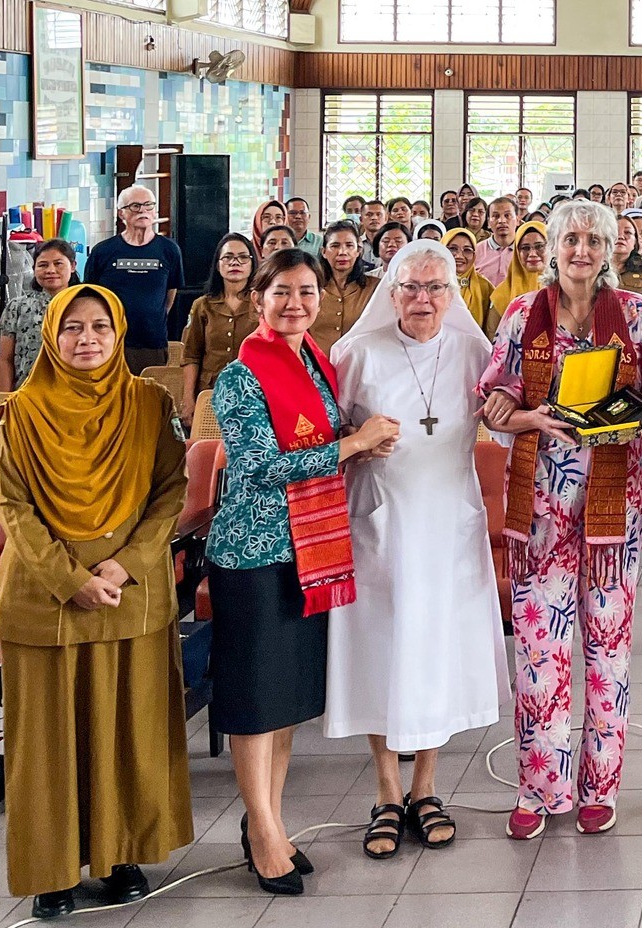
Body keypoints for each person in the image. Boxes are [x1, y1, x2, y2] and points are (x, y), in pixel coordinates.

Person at [0, 285, 192, 920]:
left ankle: (119, 856)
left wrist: (124, 565)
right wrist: (69, 579)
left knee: (126, 731)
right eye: (73, 328)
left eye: (100, 327)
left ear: (118, 332)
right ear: (51, 335)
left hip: (129, 595)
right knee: (47, 743)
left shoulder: (148, 405)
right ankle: (50, 869)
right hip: (44, 600)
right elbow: (15, 510)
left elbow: (171, 491)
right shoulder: (20, 414)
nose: (87, 340)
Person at [209, 250, 401, 892]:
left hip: (306, 550)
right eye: (282, 292)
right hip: (254, 552)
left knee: (285, 698)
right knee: (256, 700)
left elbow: (315, 435)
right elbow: (262, 464)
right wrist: (353, 443)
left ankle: (271, 821)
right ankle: (261, 834)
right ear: (258, 298)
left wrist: (354, 432)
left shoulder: (313, 365)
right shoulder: (243, 374)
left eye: (307, 291)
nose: (296, 303)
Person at [477, 203, 642, 837]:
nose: (580, 249)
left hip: (614, 499)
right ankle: (539, 788)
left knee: (607, 643)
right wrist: (529, 416)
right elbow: (495, 404)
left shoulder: (636, 313)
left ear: (610, 248)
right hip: (539, 502)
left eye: (593, 239)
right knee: (539, 648)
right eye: (570, 239)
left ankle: (600, 787)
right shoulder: (519, 315)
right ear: (552, 247)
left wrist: (622, 413)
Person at [330, 241, 508, 854]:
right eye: (410, 287)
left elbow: (504, 416)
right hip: (379, 523)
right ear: (391, 290)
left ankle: (426, 786)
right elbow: (327, 432)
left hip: (448, 525)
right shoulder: (356, 352)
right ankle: (385, 790)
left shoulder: (474, 351)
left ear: (453, 293)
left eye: (436, 288)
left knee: (434, 651)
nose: (422, 299)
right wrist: (356, 439)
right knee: (383, 649)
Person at [83, 186, 184, 371]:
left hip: (152, 341)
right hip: (109, 342)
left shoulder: (169, 250)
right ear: (121, 214)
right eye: (135, 206)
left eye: (148, 205)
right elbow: (89, 297)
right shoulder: (103, 251)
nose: (143, 211)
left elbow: (170, 293)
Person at [182, 233, 259, 408]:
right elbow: (191, 356)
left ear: (252, 264)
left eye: (243, 257)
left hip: (252, 393)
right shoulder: (202, 305)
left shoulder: (263, 304)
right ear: (218, 265)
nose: (235, 262)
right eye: (228, 257)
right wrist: (188, 399)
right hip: (210, 392)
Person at [0, 239, 78, 391]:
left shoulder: (85, 305)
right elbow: (5, 360)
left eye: (58, 263)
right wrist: (3, 401)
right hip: (26, 396)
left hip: (74, 397)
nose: (50, 270)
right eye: (43, 265)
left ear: (73, 266)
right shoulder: (17, 307)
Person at [312, 221, 377, 349]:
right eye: (335, 246)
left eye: (349, 245)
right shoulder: (311, 287)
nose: (342, 252)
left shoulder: (374, 288)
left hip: (358, 363)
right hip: (317, 364)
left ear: (358, 251)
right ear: (324, 252)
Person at [444, 227, 496, 333]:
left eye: (467, 250)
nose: (459, 256)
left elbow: (490, 329)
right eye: (453, 249)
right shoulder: (431, 284)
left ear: (474, 255)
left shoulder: (484, 287)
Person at [495, 220, 551, 313]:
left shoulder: (564, 288)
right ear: (517, 253)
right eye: (525, 248)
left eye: (539, 246)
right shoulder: (501, 294)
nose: (532, 254)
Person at [477, 196, 522, 285]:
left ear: (517, 220)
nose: (502, 221)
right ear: (489, 223)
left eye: (507, 215)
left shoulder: (525, 250)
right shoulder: (476, 251)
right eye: (496, 216)